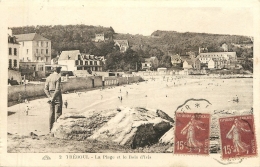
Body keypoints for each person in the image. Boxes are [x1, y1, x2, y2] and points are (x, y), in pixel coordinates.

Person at [44, 65, 63, 133]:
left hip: (51, 95)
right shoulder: (58, 77)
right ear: (58, 70)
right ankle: (56, 130)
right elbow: (57, 89)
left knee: (51, 112)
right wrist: (53, 98)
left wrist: (49, 97)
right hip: (57, 96)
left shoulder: (48, 77)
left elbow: (45, 89)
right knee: (58, 112)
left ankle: (50, 129)